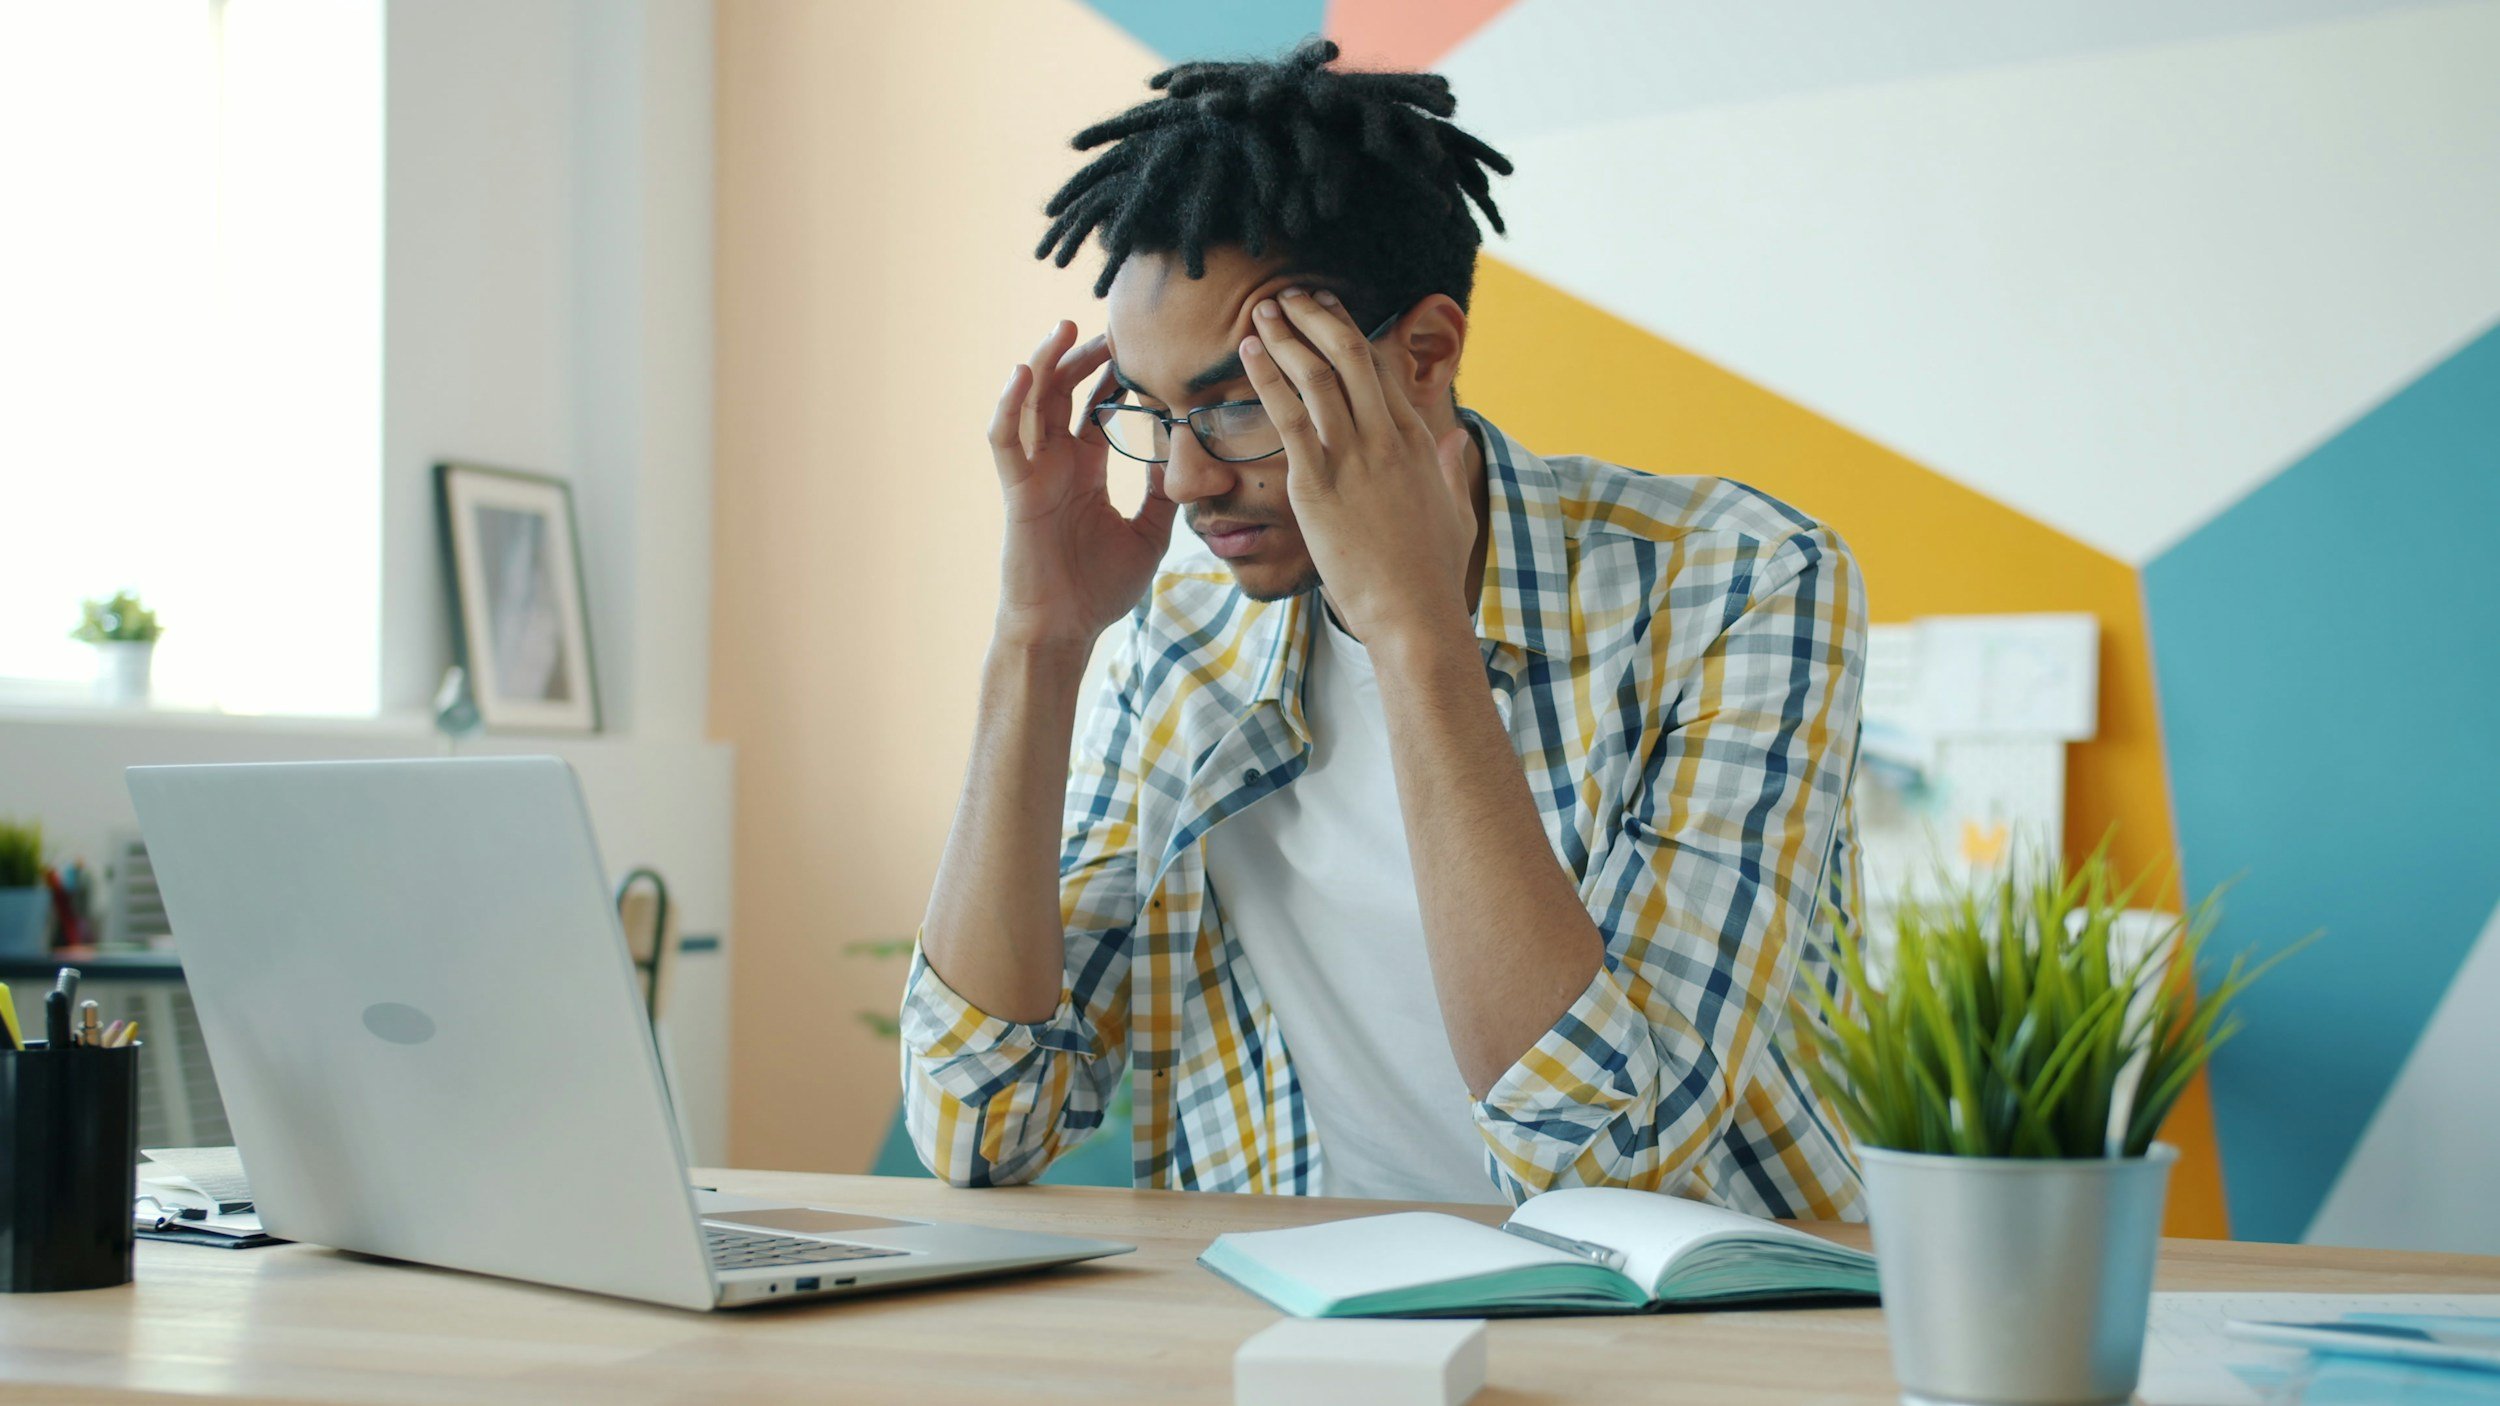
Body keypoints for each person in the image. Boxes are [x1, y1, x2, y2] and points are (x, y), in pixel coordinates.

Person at [902, 39, 1868, 1218]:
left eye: (1242, 404)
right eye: (1149, 416)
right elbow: (981, 1118)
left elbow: (1612, 1165)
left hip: (1715, 1330)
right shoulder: (1179, 638)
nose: (1188, 480)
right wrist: (1036, 641)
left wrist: (1412, 625)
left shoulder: (1735, 581)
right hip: (1320, 1317)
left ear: (1423, 355)